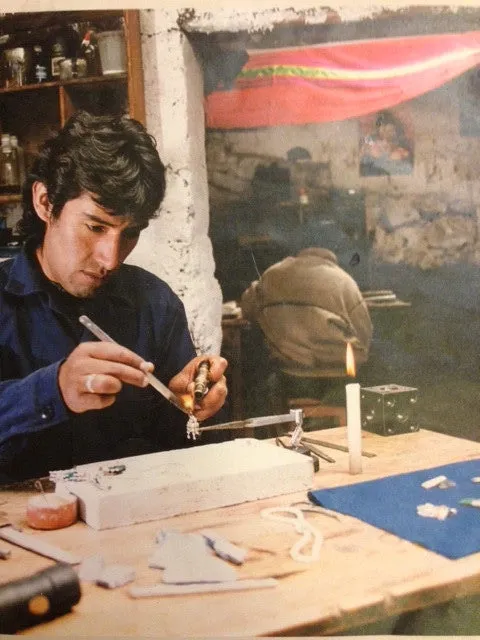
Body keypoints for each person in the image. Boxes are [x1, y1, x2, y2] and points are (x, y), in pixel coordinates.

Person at [0, 110, 227, 484]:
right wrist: (52, 390)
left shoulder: (155, 303)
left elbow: (184, 451)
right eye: (95, 226)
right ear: (45, 203)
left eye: (131, 232)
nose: (111, 258)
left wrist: (190, 406)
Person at [240, 247, 372, 411]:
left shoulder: (271, 274)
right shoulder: (344, 281)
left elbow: (246, 308)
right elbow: (364, 334)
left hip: (290, 377)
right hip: (338, 380)